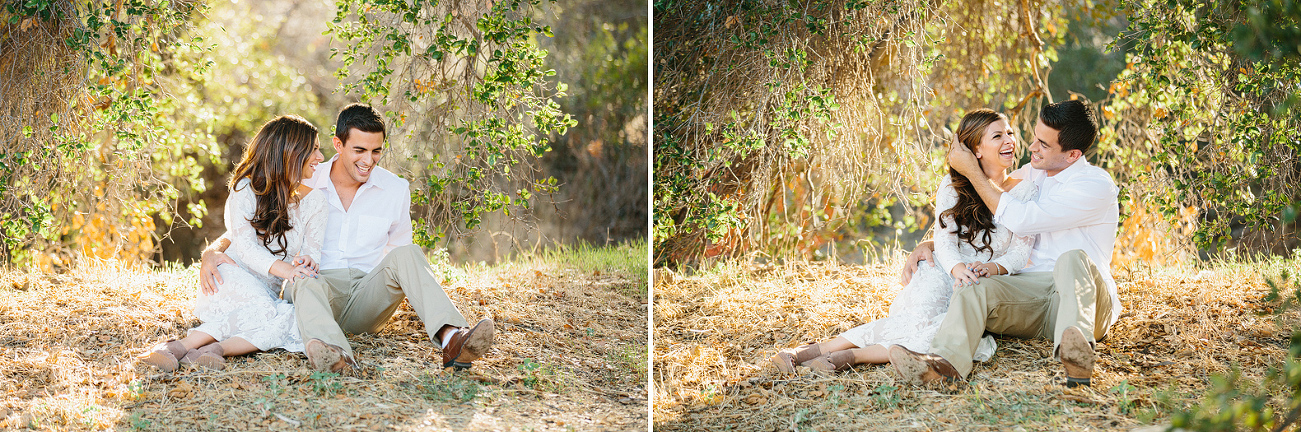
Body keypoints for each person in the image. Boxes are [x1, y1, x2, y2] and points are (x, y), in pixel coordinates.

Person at [199, 104, 495, 373]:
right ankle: (335, 355)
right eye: (359, 150)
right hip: (313, 289)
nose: (369, 160)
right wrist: (212, 250)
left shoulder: (395, 189)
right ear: (338, 145)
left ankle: (452, 338)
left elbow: (401, 259)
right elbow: (255, 224)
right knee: (303, 279)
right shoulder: (304, 175)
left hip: (365, 296)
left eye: (376, 151)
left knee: (408, 253)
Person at [770, 109, 1035, 373]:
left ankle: (852, 356)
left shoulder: (1025, 190)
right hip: (945, 269)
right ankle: (810, 351)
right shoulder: (952, 186)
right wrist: (955, 268)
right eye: (998, 136)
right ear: (975, 149)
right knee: (916, 319)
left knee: (943, 330)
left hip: (981, 282)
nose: (1010, 140)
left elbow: (1020, 251)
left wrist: (992, 268)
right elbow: (944, 240)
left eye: (1010, 133)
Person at [889, 99, 1120, 388]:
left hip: (1083, 301)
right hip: (1032, 298)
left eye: (1043, 144)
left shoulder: (1095, 185)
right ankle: (943, 367)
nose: (1032, 147)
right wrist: (933, 243)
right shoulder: (1033, 172)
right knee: (974, 285)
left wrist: (971, 171)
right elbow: (987, 207)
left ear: (1072, 154)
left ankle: (1076, 354)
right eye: (1035, 137)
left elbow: (1020, 219)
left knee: (1071, 259)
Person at [141, 115, 327, 371]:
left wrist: (306, 260)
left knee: (289, 315)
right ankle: (185, 347)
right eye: (314, 149)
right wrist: (289, 271)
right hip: (231, 274)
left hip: (267, 289)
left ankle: (208, 349)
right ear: (291, 151)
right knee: (268, 312)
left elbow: (312, 251)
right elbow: (245, 248)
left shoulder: (316, 202)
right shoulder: (245, 188)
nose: (320, 157)